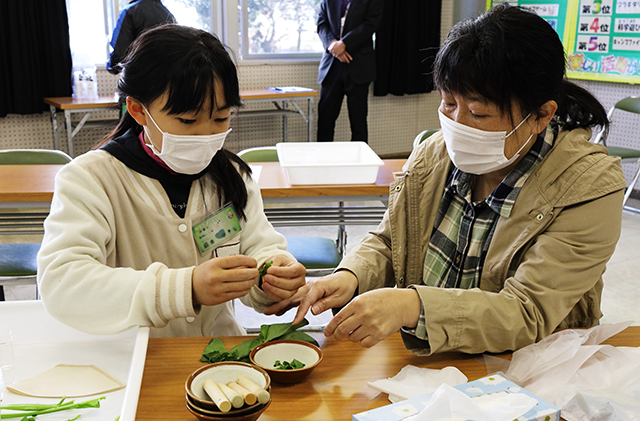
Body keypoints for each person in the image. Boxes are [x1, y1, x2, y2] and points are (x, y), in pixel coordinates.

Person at [267, 5, 627, 355]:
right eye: (448, 104)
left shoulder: (587, 187)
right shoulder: (433, 154)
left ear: (540, 115)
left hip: (525, 374)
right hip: (429, 358)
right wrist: (351, 276)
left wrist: (412, 306)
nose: (458, 125)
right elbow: (390, 240)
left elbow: (526, 312)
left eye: (478, 112)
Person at [37, 24, 306, 337]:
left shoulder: (232, 176)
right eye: (188, 120)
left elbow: (259, 246)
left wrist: (273, 275)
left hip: (219, 356)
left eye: (221, 117)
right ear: (138, 110)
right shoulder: (91, 179)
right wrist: (185, 288)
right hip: (135, 361)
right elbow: (63, 284)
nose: (207, 135)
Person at [316, 0, 383, 143]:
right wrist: (333, 45)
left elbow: (371, 24)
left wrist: (344, 44)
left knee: (358, 122)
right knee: (325, 120)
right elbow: (322, 24)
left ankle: (360, 163)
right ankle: (322, 162)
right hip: (331, 66)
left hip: (359, 66)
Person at [106, 0, 176, 74]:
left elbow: (121, 52)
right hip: (165, 76)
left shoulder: (130, 11)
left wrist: (112, 66)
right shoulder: (168, 14)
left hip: (140, 76)